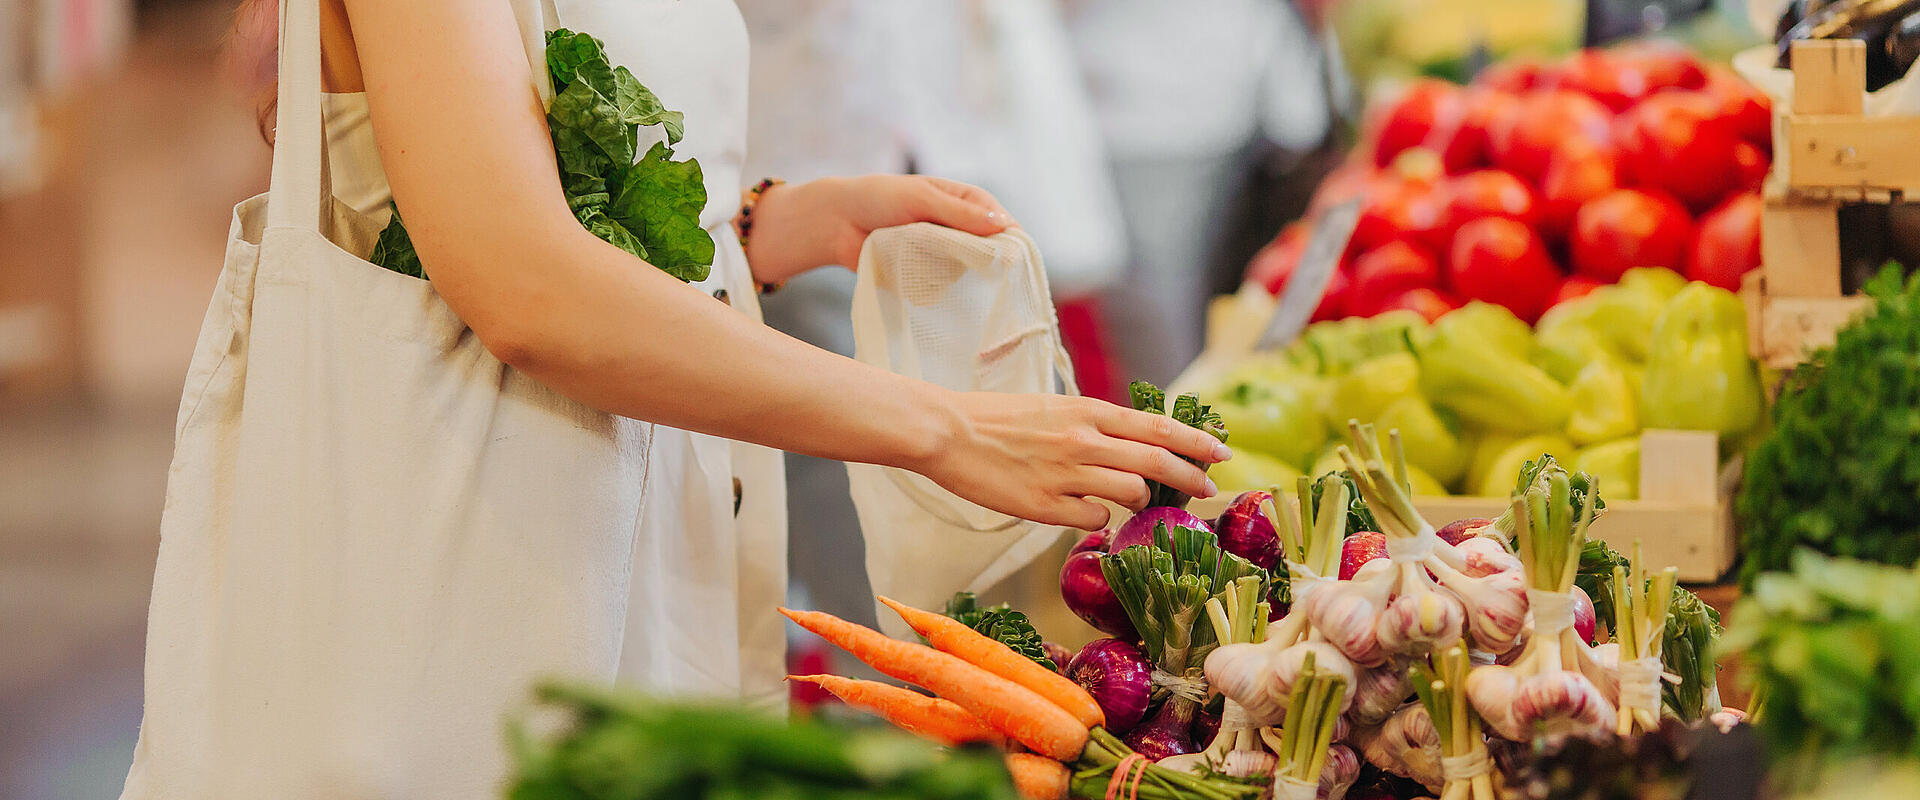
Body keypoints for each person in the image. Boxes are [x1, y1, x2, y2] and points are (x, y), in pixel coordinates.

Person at [121, 0, 1229, 797]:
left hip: (621, 543)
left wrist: (765, 222)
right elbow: (519, 282)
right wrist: (942, 426)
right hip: (456, 571)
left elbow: (536, 168)